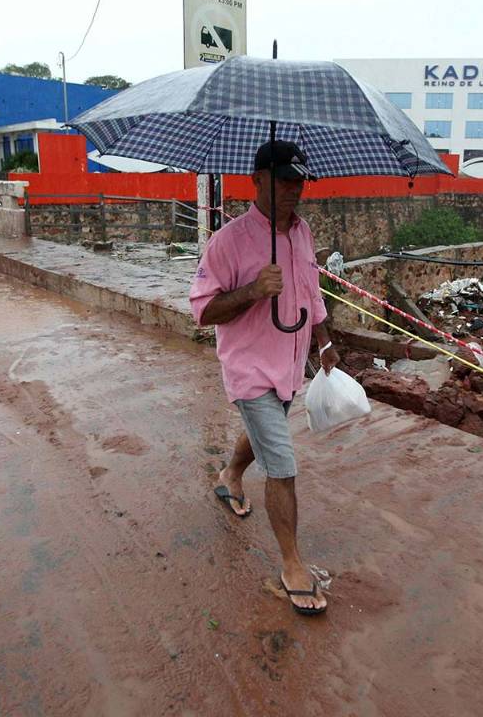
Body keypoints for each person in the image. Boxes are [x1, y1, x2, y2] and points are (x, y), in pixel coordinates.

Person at [190, 140, 340, 616]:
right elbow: (203, 310)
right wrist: (254, 290)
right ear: (257, 181)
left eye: (299, 183)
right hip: (249, 365)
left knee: (263, 435)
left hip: (289, 362)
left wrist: (324, 339)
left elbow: (312, 291)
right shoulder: (228, 241)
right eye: (284, 182)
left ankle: (230, 474)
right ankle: (293, 564)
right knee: (282, 462)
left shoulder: (302, 233)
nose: (294, 191)